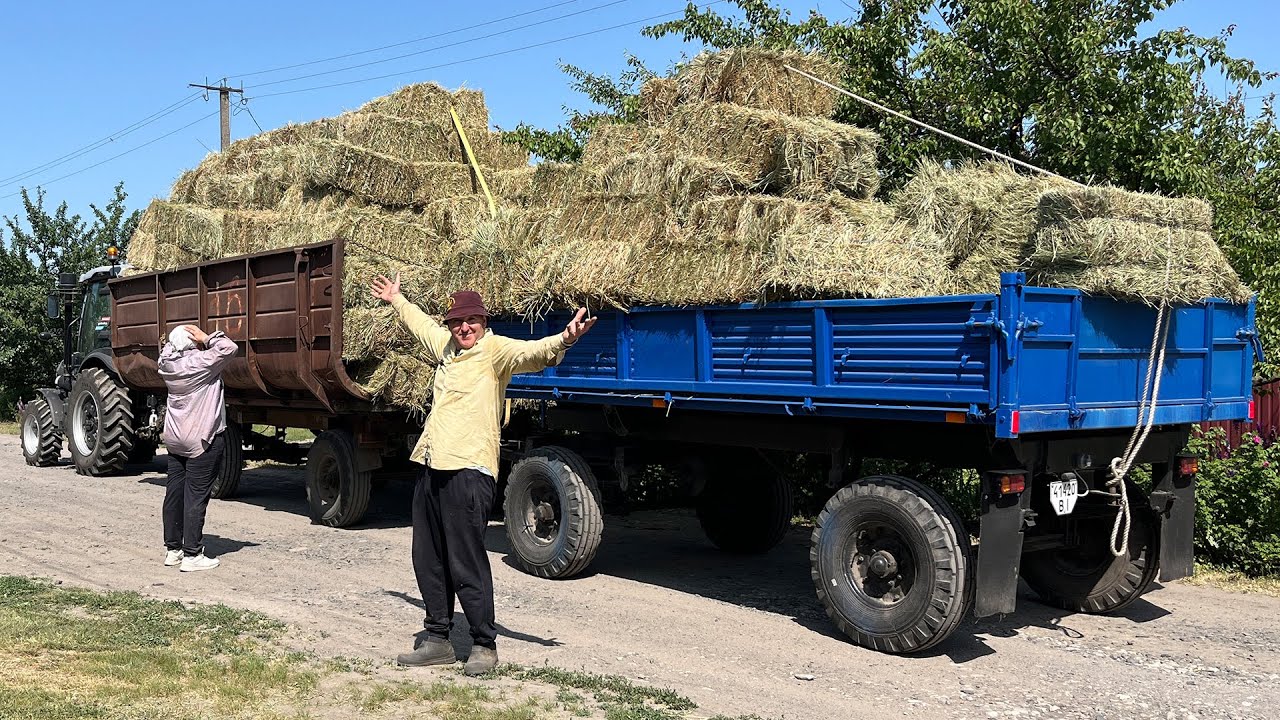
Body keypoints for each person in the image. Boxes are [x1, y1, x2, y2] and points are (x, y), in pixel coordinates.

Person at [370, 273, 597, 676]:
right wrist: (397, 299)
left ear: (483, 321)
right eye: (457, 322)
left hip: (469, 469)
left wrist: (566, 338)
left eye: (471, 321)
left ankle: (483, 643)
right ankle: (437, 638)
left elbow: (535, 352)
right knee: (429, 557)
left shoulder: (495, 352)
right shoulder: (446, 347)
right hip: (430, 463)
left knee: (465, 560)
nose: (464, 328)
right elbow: (421, 324)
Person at [157, 324, 238, 573]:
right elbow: (229, 347)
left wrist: (180, 340)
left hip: (175, 437)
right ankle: (193, 554)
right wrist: (207, 337)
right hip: (202, 438)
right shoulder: (201, 363)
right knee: (196, 496)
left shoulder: (166, 364)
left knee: (174, 493)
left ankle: (173, 550)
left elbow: (168, 349)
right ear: (192, 343)